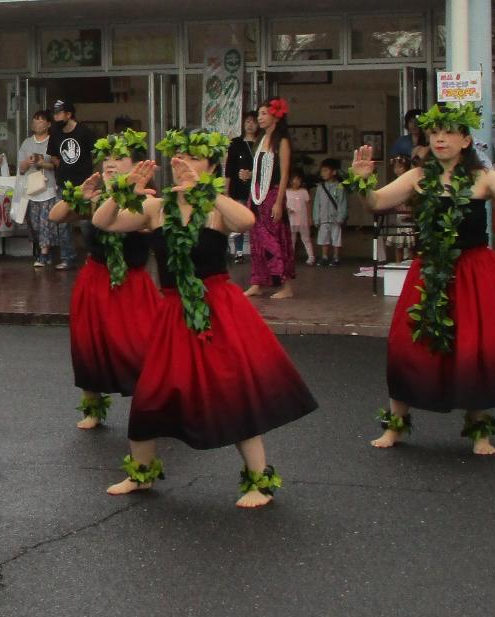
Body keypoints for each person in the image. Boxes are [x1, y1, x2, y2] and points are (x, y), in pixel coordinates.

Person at [97, 129, 318, 509]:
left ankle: (258, 481)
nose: (183, 161)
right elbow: (105, 222)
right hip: (171, 311)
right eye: (179, 155)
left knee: (231, 390)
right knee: (152, 391)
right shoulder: (157, 207)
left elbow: (247, 221)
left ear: (212, 166)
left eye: (195, 157)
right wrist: (124, 190)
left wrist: (207, 189)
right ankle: (141, 473)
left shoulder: (217, 209)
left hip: (218, 307)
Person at [350, 104, 495, 454]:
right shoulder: (418, 177)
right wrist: (361, 179)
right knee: (407, 345)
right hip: (430, 271)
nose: (440, 139)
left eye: (448, 133)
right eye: (435, 134)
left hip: (474, 271)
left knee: (473, 347)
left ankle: (480, 431)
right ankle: (395, 426)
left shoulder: (483, 177)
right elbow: (375, 202)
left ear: (465, 140)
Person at [49, 132, 158, 430]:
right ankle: (93, 410)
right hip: (94, 279)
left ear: (137, 165)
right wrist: (76, 197)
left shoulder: (146, 198)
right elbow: (55, 215)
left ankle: (157, 404)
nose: (110, 164)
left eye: (119, 158)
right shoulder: (96, 197)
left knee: (139, 348)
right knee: (89, 344)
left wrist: (128, 193)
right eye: (107, 158)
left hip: (132, 283)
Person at [245, 98, 296, 299]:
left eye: (264, 113)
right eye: (259, 114)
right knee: (256, 240)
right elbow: (259, 169)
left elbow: (283, 174)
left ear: (275, 116)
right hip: (256, 194)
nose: (260, 117)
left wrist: (278, 202)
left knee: (274, 239)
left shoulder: (281, 141)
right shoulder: (259, 140)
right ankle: (258, 281)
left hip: (272, 194)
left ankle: (285, 285)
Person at [45, 100, 94, 269]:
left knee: (86, 222)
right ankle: (67, 257)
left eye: (59, 113)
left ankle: (92, 255)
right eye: (55, 113)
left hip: (84, 184)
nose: (56, 117)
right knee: (63, 222)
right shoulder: (56, 134)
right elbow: (53, 156)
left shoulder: (84, 131)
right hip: (64, 184)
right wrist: (63, 168)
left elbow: (96, 153)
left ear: (69, 114)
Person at [18, 109, 59, 267]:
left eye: (41, 120)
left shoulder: (53, 141)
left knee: (45, 222)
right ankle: (43, 250)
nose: (37, 123)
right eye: (35, 120)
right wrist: (28, 163)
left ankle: (44, 254)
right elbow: (21, 169)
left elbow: (57, 165)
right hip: (31, 190)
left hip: (48, 189)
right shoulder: (27, 143)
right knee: (34, 224)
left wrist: (43, 163)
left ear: (48, 124)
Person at [225, 115, 257, 260]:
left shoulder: (262, 142)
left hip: (256, 187)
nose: (250, 125)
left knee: (257, 219)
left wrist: (251, 174)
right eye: (248, 121)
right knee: (239, 218)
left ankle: (258, 250)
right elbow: (229, 169)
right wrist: (226, 190)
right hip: (238, 187)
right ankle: (238, 251)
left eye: (254, 122)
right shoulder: (236, 143)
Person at [312, 159, 346, 267]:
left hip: (335, 219)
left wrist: (341, 217)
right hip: (323, 218)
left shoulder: (339, 186)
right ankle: (325, 256)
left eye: (326, 170)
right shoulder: (320, 187)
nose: (323, 173)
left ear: (334, 172)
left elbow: (342, 203)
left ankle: (336, 257)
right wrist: (316, 218)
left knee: (336, 238)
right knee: (323, 238)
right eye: (322, 171)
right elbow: (317, 204)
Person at [285, 169, 314, 265]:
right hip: (291, 219)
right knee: (291, 239)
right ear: (290, 180)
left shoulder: (304, 192)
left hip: (303, 219)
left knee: (306, 238)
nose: (296, 182)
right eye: (294, 179)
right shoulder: (286, 192)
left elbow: (308, 205)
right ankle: (290, 258)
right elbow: (284, 205)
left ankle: (311, 256)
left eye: (298, 179)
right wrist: (287, 210)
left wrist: (310, 218)